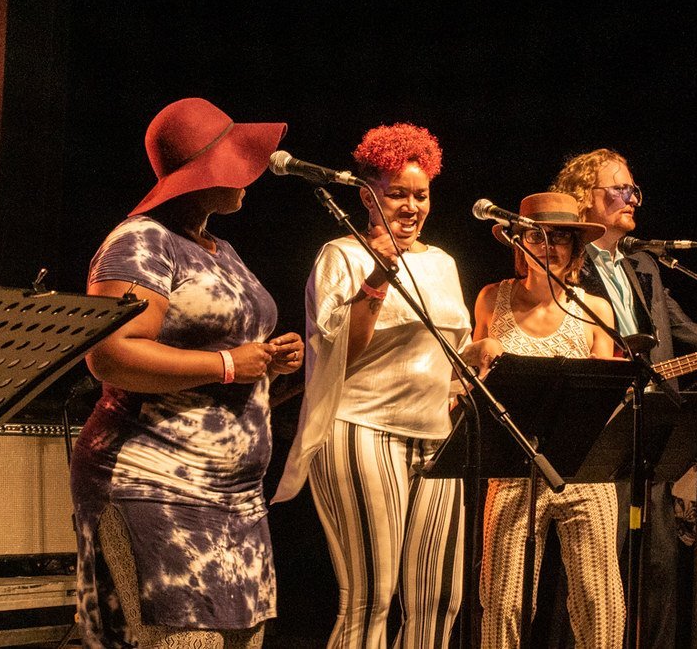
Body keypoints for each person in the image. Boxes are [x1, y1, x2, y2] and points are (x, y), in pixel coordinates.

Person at [71, 98, 304, 648]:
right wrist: (227, 364)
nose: (252, 170)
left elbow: (231, 368)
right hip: (156, 483)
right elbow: (109, 353)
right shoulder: (140, 242)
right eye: (237, 158)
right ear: (205, 173)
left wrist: (273, 366)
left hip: (237, 497)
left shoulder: (222, 251)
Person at [272, 123, 500, 648]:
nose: (411, 206)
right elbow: (338, 356)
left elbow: (441, 352)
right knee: (371, 598)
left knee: (440, 599)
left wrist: (477, 353)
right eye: (397, 193)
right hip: (361, 427)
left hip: (436, 436)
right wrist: (375, 280)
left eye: (421, 195)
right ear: (366, 195)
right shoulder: (342, 256)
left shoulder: (442, 263)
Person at [552, 148, 697, 648]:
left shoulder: (643, 266)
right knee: (597, 574)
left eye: (634, 189)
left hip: (653, 432)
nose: (631, 197)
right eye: (618, 188)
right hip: (598, 435)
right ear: (582, 200)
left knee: (658, 565)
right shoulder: (564, 262)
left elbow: (689, 336)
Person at [472, 192, 625, 648]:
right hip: (513, 468)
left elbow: (608, 397)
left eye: (561, 237)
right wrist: (479, 355)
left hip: (583, 468)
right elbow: (471, 377)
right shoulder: (490, 298)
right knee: (503, 602)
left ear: (576, 248)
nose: (550, 246)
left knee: (601, 602)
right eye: (537, 236)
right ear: (519, 242)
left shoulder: (594, 309)